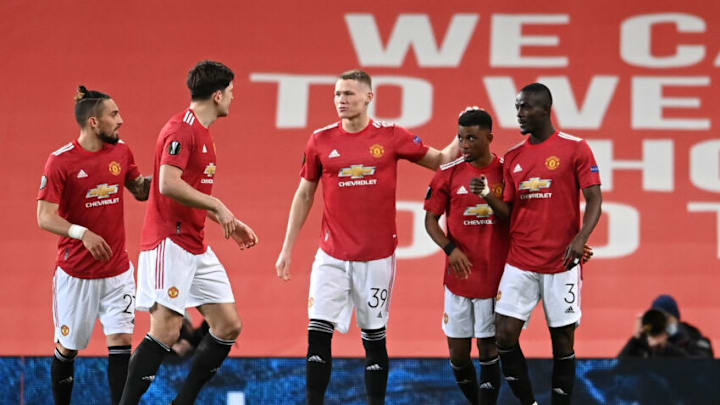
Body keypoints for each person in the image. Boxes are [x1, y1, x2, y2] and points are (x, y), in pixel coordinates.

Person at [274, 69, 459, 405]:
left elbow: (442, 161)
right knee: (318, 332)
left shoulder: (391, 136)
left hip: (376, 258)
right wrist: (287, 248)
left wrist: (464, 131)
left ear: (368, 97)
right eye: (337, 94)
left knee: (373, 337)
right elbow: (304, 195)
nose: (341, 101)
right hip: (331, 256)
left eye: (348, 94)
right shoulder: (320, 140)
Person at [120, 60, 258, 405]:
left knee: (227, 325)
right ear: (217, 94)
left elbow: (186, 191)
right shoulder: (182, 130)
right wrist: (219, 207)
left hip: (194, 244)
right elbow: (167, 184)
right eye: (230, 92)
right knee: (165, 331)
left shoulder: (202, 132)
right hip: (169, 241)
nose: (232, 98)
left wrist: (226, 220)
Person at [469, 83, 603, 405]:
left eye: (526, 107)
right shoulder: (513, 157)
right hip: (520, 262)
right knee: (503, 335)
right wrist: (487, 195)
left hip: (561, 263)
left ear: (545, 109)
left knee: (562, 342)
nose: (519, 114)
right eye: (517, 107)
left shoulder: (575, 148)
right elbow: (510, 213)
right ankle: (528, 402)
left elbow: (595, 198)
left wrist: (580, 238)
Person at [37, 85, 150, 405]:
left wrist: (169, 179)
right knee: (68, 348)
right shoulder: (60, 162)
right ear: (93, 122)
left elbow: (139, 190)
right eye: (114, 115)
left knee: (122, 343)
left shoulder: (122, 152)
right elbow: (44, 216)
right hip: (76, 275)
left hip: (117, 272)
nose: (121, 120)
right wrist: (81, 232)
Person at [424, 107, 508, 404]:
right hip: (458, 282)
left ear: (489, 137)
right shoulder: (447, 173)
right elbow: (430, 221)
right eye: (461, 138)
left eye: (471, 138)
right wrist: (450, 249)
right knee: (458, 356)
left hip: (493, 282)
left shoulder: (506, 171)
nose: (465, 144)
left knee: (488, 352)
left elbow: (516, 218)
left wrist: (488, 196)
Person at [618, 308, 688, 357]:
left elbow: (691, 367)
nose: (656, 325)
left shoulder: (681, 339)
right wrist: (635, 339)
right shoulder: (638, 344)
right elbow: (615, 367)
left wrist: (663, 347)